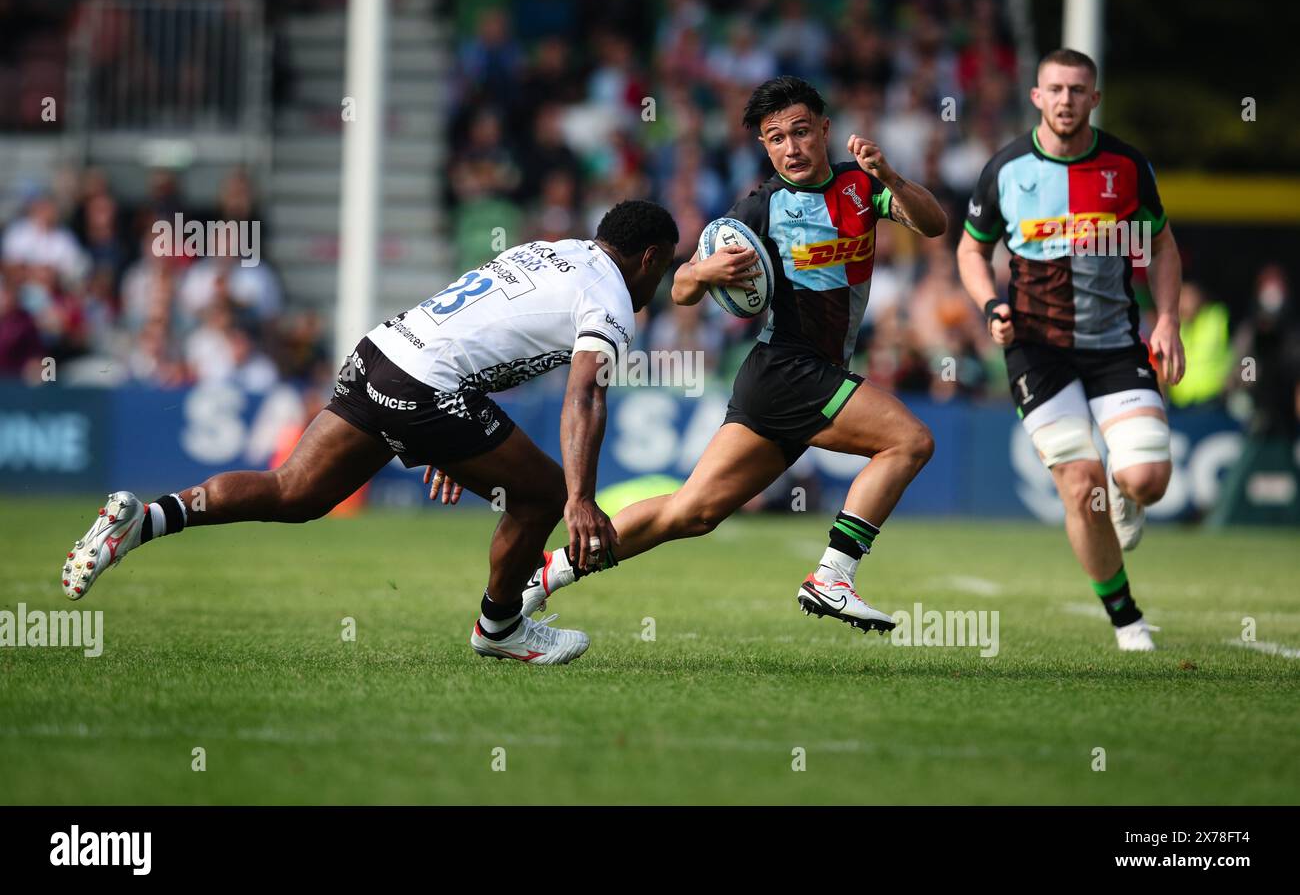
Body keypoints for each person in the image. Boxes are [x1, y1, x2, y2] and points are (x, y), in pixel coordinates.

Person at [59, 201, 679, 666]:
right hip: (428, 385)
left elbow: (486, 325)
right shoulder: (611, 297)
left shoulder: (549, 250)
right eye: (663, 269)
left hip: (382, 352)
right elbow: (586, 393)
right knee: (544, 493)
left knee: (294, 492)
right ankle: (500, 628)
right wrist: (580, 497)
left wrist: (455, 432)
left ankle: (146, 519)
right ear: (648, 258)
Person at [509, 75, 948, 636]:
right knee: (910, 441)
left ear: (824, 130)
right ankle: (833, 574)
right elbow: (680, 289)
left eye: (801, 132)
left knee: (689, 512)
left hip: (783, 380)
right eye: (776, 138)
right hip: (790, 368)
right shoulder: (760, 209)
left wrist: (892, 176)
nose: (791, 148)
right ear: (764, 147)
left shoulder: (864, 186)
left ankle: (543, 576)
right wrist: (701, 271)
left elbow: (932, 225)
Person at [954, 49, 1185, 651]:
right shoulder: (1005, 169)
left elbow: (1162, 247)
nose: (1065, 100)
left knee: (1148, 480)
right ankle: (1128, 620)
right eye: (1054, 89)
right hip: (1037, 349)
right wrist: (990, 308)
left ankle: (1128, 489)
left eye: (1077, 90)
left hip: (1114, 343)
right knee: (1081, 485)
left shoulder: (1127, 166)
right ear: (1036, 96)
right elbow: (970, 251)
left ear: (1094, 99)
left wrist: (1168, 322)